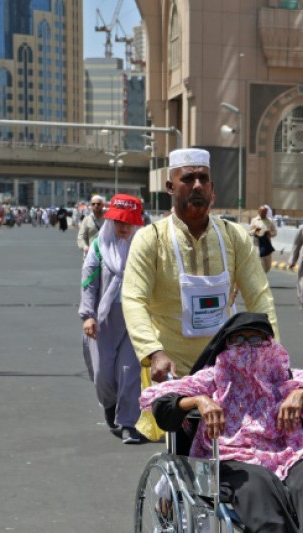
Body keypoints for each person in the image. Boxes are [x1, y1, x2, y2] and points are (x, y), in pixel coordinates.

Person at [142, 312, 303, 533]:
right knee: (257, 484)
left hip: (289, 456)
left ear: (269, 345)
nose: (246, 348)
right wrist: (199, 400)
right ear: (225, 345)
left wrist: (300, 392)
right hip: (232, 458)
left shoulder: (285, 378)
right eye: (238, 340)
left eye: (255, 340)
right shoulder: (212, 379)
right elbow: (162, 403)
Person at [122, 148, 280, 438]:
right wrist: (153, 352)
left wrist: (272, 353)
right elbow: (133, 299)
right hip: (174, 369)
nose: (197, 185)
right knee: (183, 449)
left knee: (235, 447)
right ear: (170, 186)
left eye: (203, 179)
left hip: (227, 366)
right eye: (188, 178)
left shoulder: (235, 237)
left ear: (212, 189)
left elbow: (259, 296)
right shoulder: (151, 239)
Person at [79, 194, 151, 444]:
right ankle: (109, 405)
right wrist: (88, 315)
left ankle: (128, 423)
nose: (124, 227)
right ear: (111, 221)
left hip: (136, 318)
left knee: (130, 372)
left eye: (129, 223)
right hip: (104, 319)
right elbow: (89, 282)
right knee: (104, 373)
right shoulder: (99, 246)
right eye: (120, 222)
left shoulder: (145, 247)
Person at [249, 205, 278, 273]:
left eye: (265, 212)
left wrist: (269, 233)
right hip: (257, 245)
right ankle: (262, 281)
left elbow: (275, 232)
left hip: (267, 245)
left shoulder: (270, 221)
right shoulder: (254, 221)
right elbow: (250, 233)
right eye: (262, 212)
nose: (264, 214)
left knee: (268, 266)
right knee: (261, 265)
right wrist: (255, 230)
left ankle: (262, 277)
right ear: (259, 212)